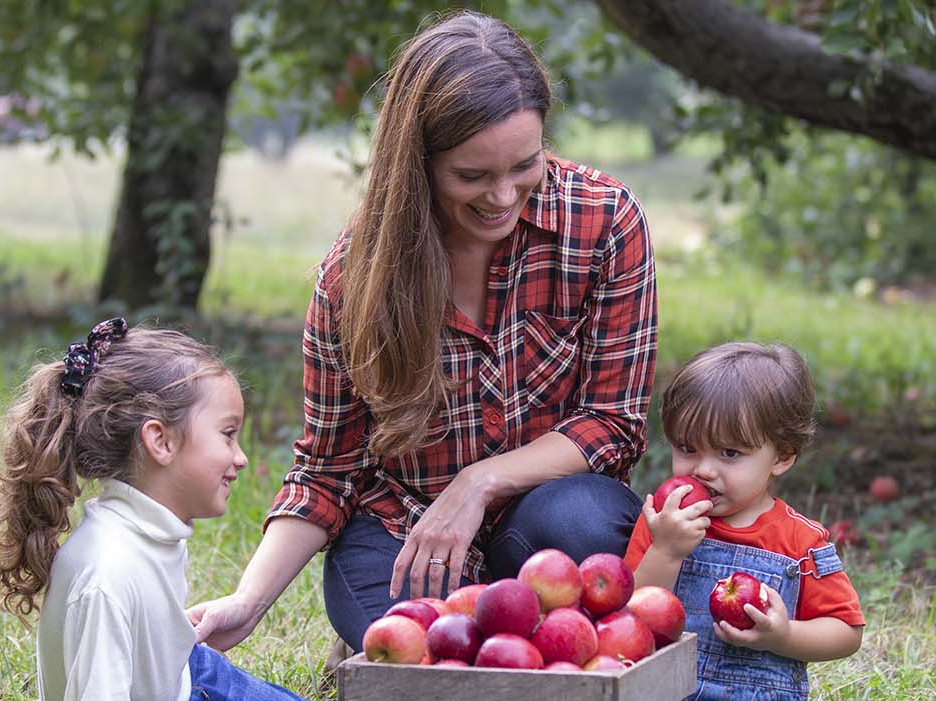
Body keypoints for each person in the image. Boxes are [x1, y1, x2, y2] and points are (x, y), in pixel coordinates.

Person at [194, 12, 658, 654]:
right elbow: (328, 470)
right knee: (422, 643)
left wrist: (480, 482)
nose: (503, 196)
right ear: (418, 163)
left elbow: (613, 422)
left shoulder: (603, 222)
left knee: (583, 522)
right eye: (472, 176)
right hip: (407, 525)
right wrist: (247, 602)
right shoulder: (354, 281)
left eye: (524, 164)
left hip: (544, 518)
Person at [0, 319, 341, 701]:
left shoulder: (151, 526)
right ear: (161, 442)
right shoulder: (108, 571)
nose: (239, 458)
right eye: (228, 434)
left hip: (183, 675)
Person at [624, 342, 864, 701]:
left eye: (730, 454)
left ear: (783, 456)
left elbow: (846, 632)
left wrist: (784, 635)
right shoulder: (664, 521)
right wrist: (666, 550)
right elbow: (632, 614)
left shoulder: (800, 541)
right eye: (687, 448)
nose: (704, 470)